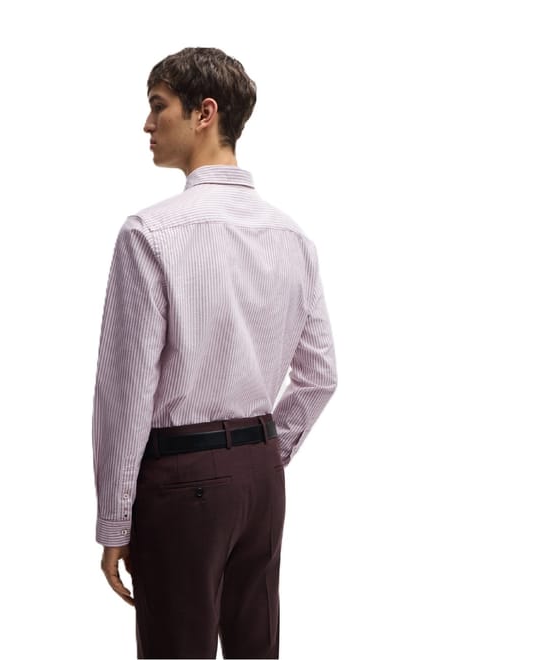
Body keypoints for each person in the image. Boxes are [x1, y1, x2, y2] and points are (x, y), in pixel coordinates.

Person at [92, 46, 337, 659]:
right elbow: (319, 376)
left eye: (159, 107)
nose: (147, 124)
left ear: (204, 113)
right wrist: (264, 453)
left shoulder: (150, 234)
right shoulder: (292, 236)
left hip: (181, 482)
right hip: (262, 481)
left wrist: (115, 519)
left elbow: (126, 392)